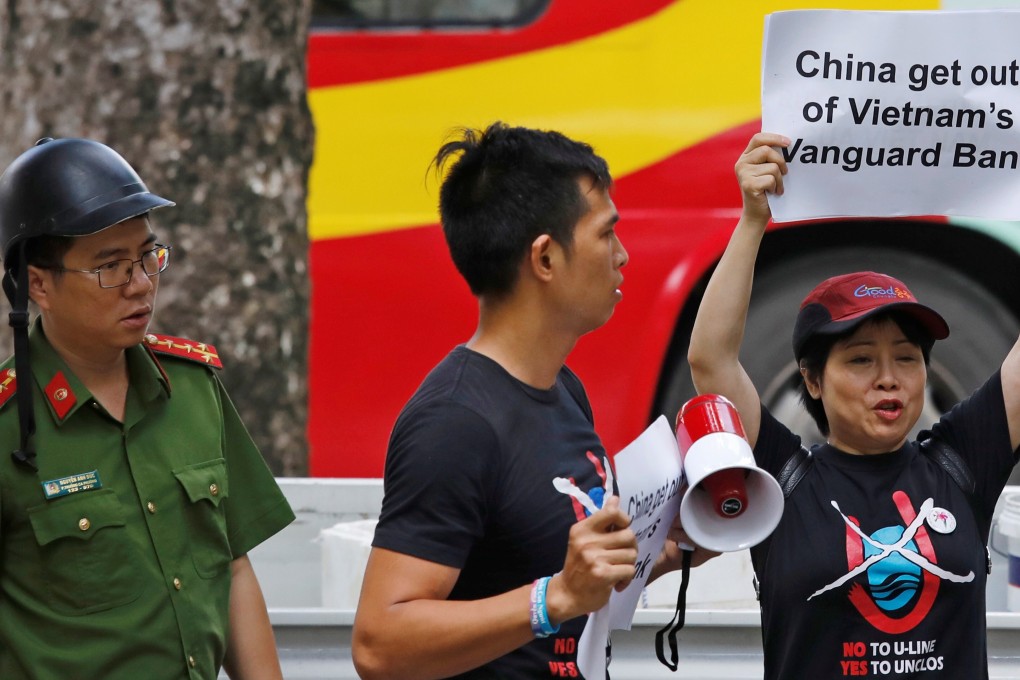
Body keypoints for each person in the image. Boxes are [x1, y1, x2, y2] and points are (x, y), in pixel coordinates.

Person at [352, 122, 692, 679]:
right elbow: (378, 645)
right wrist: (552, 599)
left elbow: (571, 583)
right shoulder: (455, 421)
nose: (623, 255)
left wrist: (674, 543)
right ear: (545, 258)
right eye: (607, 234)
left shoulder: (563, 389)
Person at [686, 132, 1020, 679]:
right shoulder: (782, 478)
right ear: (812, 381)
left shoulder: (963, 463)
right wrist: (751, 222)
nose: (889, 380)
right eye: (861, 360)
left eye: (907, 359)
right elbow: (710, 359)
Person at [0, 137, 296, 679]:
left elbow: (231, 563)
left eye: (147, 256)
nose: (141, 285)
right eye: (109, 267)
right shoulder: (6, 426)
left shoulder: (191, 388)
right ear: (38, 284)